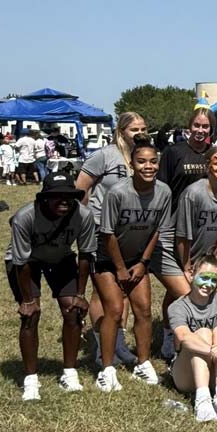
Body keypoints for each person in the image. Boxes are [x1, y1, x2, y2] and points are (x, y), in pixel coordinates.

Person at [5, 172, 96, 400]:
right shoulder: (25, 217)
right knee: (31, 315)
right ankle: (31, 379)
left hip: (61, 258)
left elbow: (85, 254)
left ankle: (69, 372)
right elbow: (21, 262)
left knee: (73, 310)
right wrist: (27, 301)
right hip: (26, 263)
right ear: (44, 198)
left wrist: (80, 294)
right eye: (56, 196)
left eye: (69, 196)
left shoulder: (84, 215)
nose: (64, 200)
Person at [93, 142, 172, 391]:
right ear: (131, 164)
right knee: (115, 310)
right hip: (107, 259)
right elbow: (107, 233)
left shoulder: (164, 192)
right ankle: (106, 369)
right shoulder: (117, 192)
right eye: (141, 161)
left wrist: (143, 262)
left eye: (153, 161)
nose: (148, 166)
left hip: (137, 260)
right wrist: (119, 269)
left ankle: (143, 362)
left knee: (144, 310)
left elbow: (157, 230)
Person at [76, 112, 148, 363]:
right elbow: (81, 187)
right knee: (102, 292)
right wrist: (88, 219)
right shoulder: (105, 156)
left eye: (143, 129)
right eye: (134, 130)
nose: (140, 134)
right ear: (121, 131)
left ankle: (118, 343)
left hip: (130, 232)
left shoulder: (143, 156)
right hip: (101, 231)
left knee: (123, 290)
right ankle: (100, 347)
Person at [167, 255, 217, 422]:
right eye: (204, 277)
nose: (208, 284)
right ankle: (202, 400)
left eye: (213, 280)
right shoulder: (177, 307)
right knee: (202, 334)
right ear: (191, 274)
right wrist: (216, 353)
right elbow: (184, 336)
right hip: (188, 377)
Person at [175, 147, 217, 282]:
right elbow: (182, 236)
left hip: (202, 255)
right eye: (216, 163)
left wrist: (207, 263)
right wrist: (186, 268)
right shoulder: (193, 193)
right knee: (184, 290)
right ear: (207, 166)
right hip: (177, 252)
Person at [157, 107, 213, 207]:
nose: (200, 130)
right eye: (196, 125)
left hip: (205, 213)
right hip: (177, 213)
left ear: (211, 129)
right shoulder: (173, 152)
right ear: (190, 126)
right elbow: (161, 187)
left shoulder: (214, 154)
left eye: (205, 126)